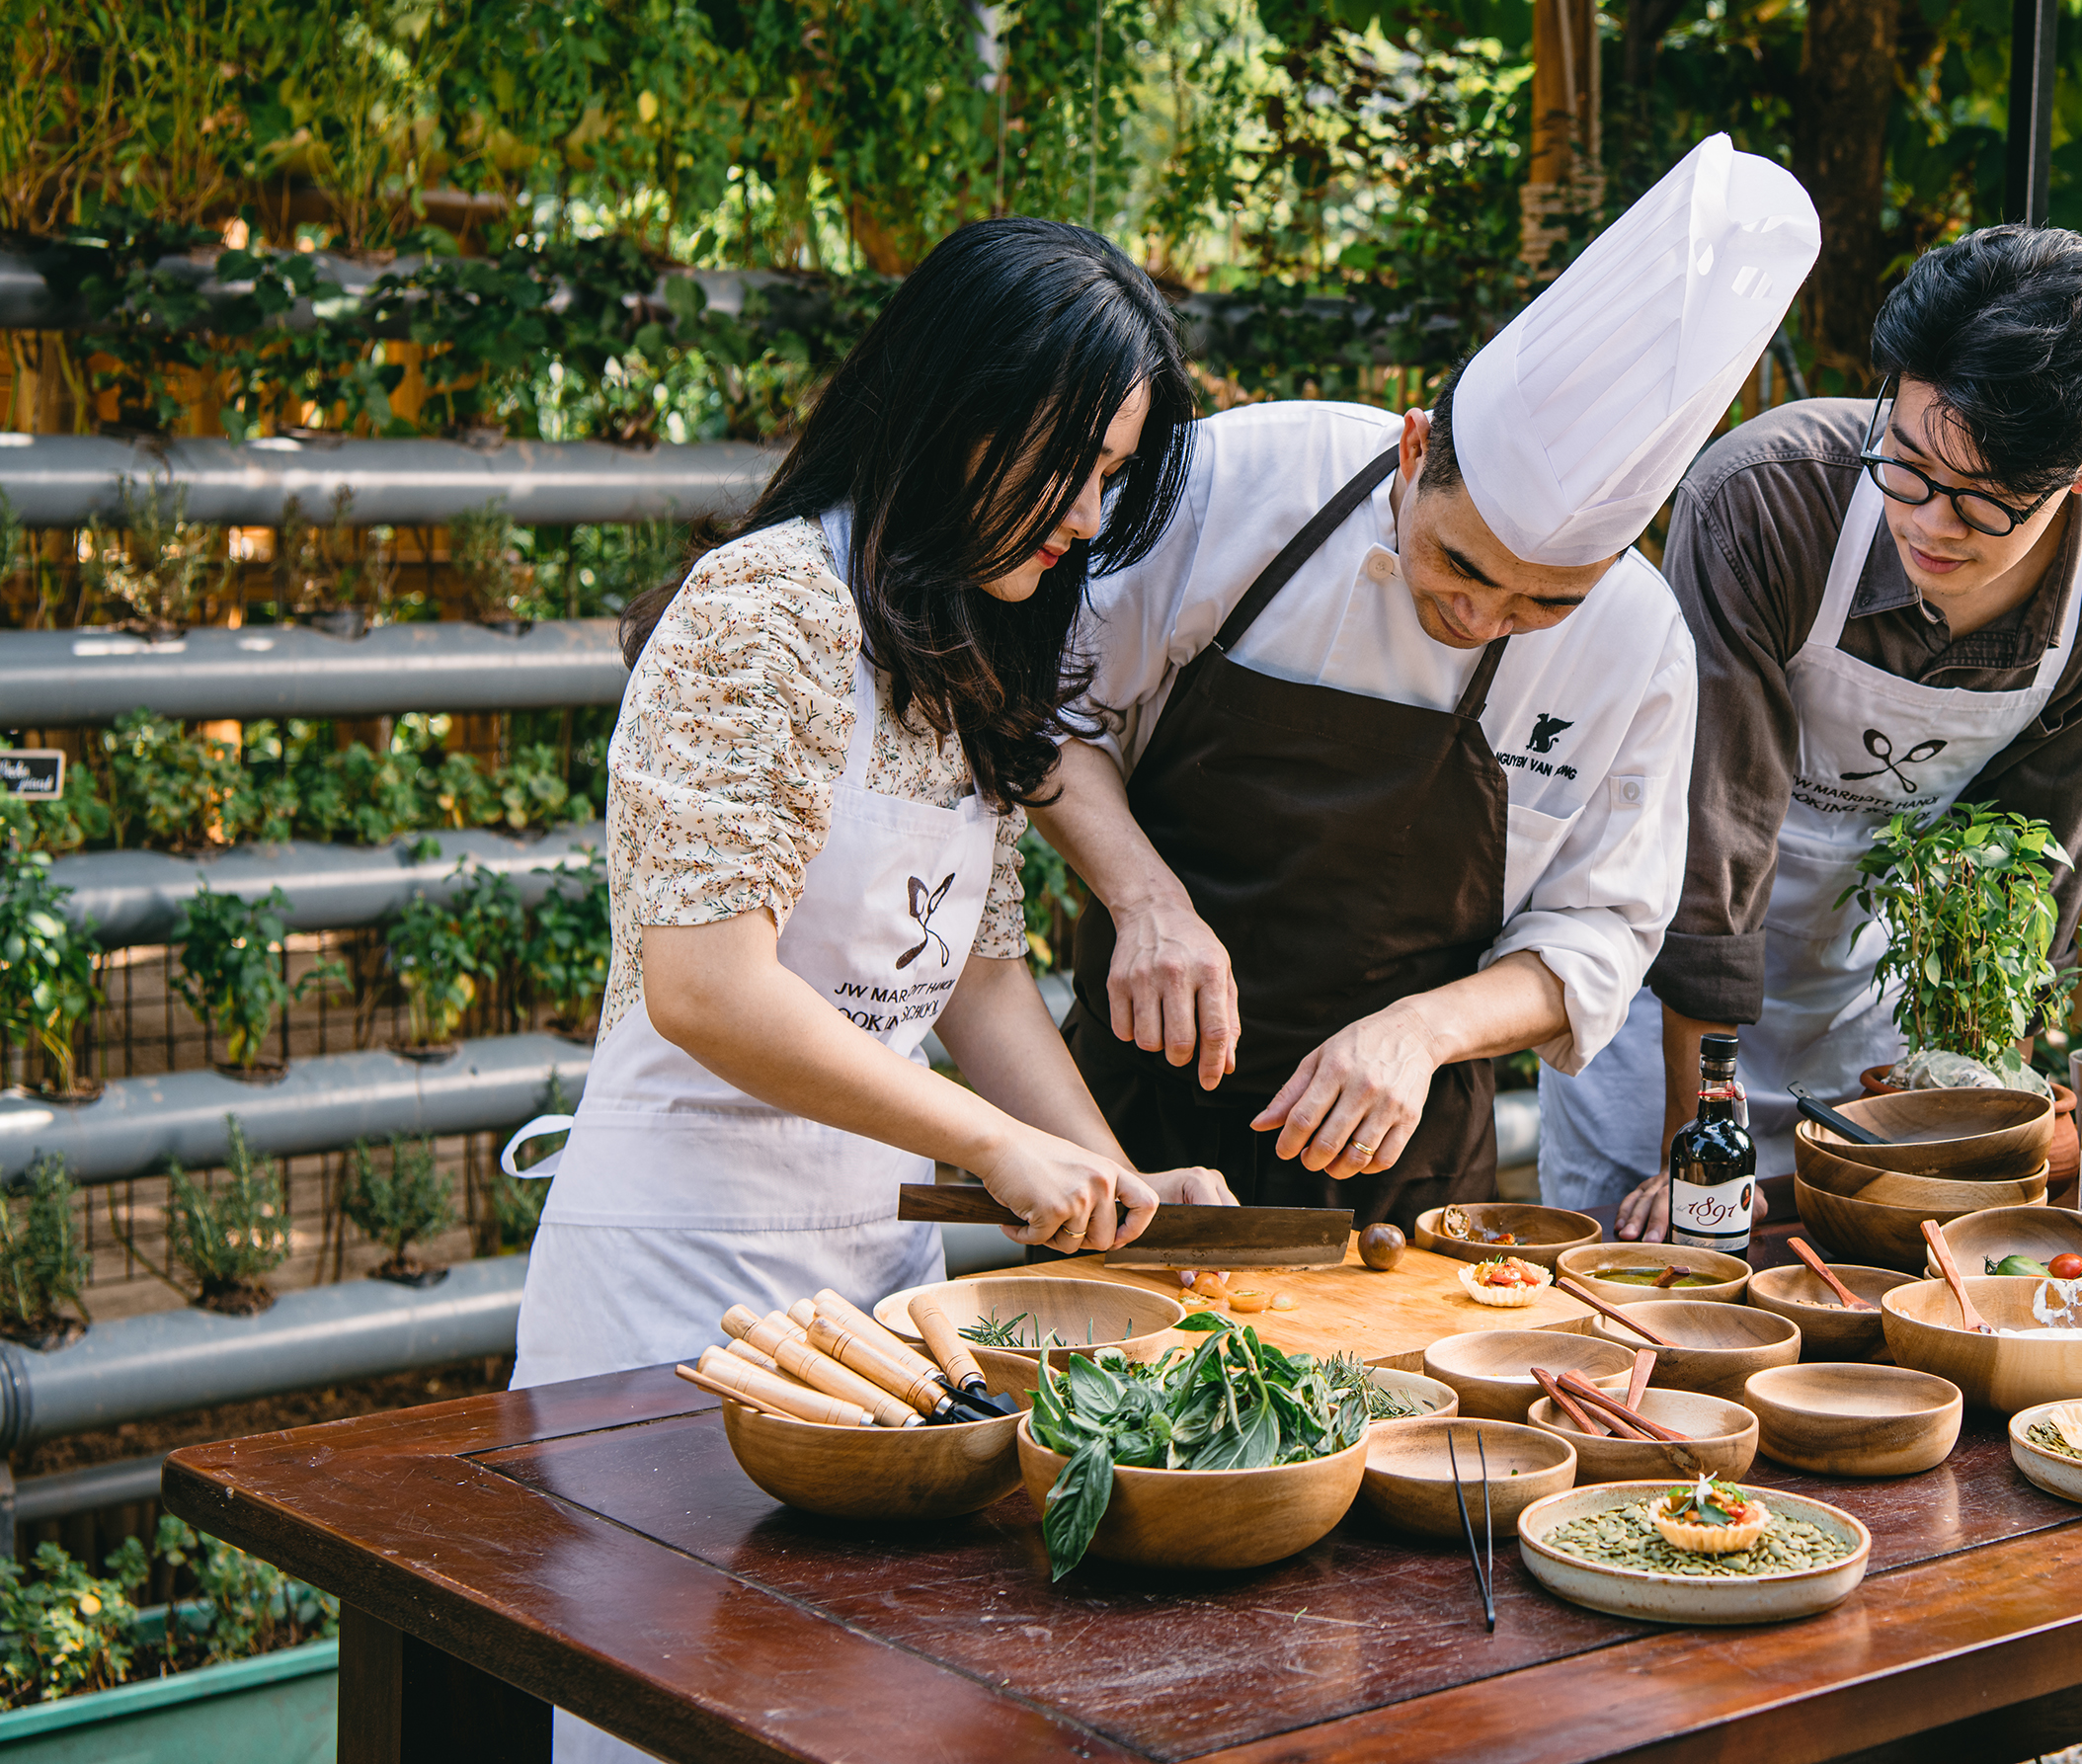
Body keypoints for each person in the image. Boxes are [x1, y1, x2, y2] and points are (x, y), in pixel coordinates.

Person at [507, 217, 1237, 1406]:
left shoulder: (966, 643)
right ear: (962, 411)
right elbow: (706, 985)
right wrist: (994, 1144)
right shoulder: (765, 609)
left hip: (887, 1305)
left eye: (1114, 478)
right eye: (1079, 467)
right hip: (674, 1289)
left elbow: (980, 979)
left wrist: (1123, 1190)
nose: (1093, 520)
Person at [1031, 135, 1821, 1227]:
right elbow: (1049, 716)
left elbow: (1601, 933)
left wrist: (1425, 1030)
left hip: (1397, 1170)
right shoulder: (1237, 483)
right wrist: (1144, 896)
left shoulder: (1639, 642)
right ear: (1414, 452)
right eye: (1461, 563)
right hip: (1130, 1116)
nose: (1482, 617)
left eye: (1547, 603)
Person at [1535, 223, 2082, 1237]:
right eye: (1911, 463)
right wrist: (1696, 1142)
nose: (1930, 522)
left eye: (1985, 504)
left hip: (1877, 1012)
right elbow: (1713, 833)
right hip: (1666, 991)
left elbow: (2033, 854)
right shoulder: (1764, 500)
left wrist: (1967, 1113)